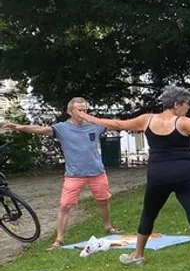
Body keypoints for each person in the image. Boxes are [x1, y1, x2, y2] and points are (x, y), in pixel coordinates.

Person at [81, 86, 190, 271]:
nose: (188, 108)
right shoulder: (182, 122)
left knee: (149, 213)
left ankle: (138, 255)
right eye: (186, 104)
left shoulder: (147, 120)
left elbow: (118, 124)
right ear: (176, 104)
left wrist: (91, 118)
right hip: (184, 173)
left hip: (158, 174)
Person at [3, 97, 119, 250]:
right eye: (79, 110)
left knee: (103, 200)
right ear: (69, 112)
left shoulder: (95, 126)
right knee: (65, 206)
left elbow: (117, 124)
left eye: (84, 110)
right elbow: (40, 129)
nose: (82, 113)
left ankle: (108, 227)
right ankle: (59, 240)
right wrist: (19, 127)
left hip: (97, 173)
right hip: (74, 175)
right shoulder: (62, 128)